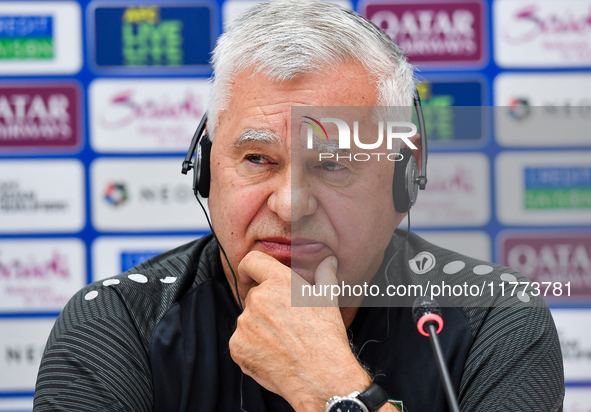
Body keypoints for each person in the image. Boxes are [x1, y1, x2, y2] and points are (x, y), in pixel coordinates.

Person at [34, 1, 564, 411]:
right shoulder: (116, 325)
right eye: (258, 158)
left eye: (334, 164)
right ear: (206, 170)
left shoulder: (496, 318)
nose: (289, 206)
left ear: (403, 182)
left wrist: (332, 385)